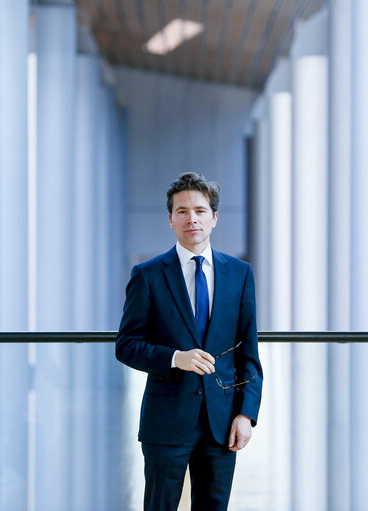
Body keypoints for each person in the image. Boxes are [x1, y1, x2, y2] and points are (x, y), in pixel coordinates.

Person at [116, 172, 263, 511]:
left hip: (222, 423)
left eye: (199, 210)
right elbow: (126, 344)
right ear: (170, 219)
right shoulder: (148, 275)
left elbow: (249, 354)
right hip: (166, 420)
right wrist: (174, 358)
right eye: (181, 211)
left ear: (214, 218)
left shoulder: (240, 273)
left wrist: (246, 414)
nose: (191, 218)